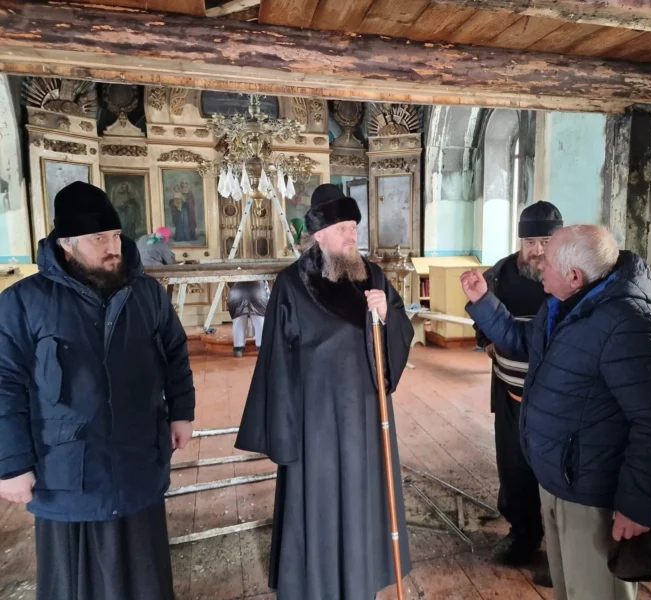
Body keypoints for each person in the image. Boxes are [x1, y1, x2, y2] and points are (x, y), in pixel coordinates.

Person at [461, 225, 651, 600]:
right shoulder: (563, 307)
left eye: (547, 262)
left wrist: (638, 508)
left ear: (574, 276)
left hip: (592, 496)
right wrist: (484, 301)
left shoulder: (628, 326)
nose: (539, 266)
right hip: (559, 481)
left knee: (595, 592)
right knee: (569, 591)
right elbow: (522, 341)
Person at [0, 181, 195, 600]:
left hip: (138, 457)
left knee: (144, 571)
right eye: (98, 239)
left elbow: (175, 354)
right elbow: (3, 383)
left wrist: (182, 412)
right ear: (67, 246)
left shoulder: (146, 294)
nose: (113, 249)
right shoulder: (23, 302)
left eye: (115, 236)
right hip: (67, 470)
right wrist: (11, 463)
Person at [235, 183, 414, 600]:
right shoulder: (291, 284)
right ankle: (318, 585)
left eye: (353, 227)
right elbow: (277, 362)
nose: (351, 236)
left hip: (366, 416)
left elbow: (399, 332)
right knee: (319, 501)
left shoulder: (373, 276)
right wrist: (284, 430)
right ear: (318, 234)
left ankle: (361, 578)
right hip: (315, 420)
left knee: (363, 499)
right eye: (341, 229)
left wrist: (386, 316)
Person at [474, 201, 562, 568]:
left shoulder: (569, 276)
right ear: (520, 241)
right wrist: (487, 343)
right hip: (509, 394)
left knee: (554, 469)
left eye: (545, 242)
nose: (537, 250)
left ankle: (561, 549)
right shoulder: (498, 276)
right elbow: (482, 323)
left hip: (555, 399)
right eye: (530, 242)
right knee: (513, 466)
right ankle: (522, 535)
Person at [227, 280, 270, 357]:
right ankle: (261, 347)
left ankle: (238, 348)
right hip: (258, 292)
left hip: (237, 293)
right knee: (260, 323)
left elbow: (229, 282)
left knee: (239, 322)